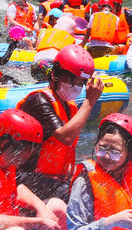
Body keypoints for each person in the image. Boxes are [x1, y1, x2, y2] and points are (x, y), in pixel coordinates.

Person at [16, 45, 104, 201]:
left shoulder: (69, 105)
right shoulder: (39, 100)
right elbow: (66, 137)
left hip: (55, 178)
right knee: (81, 197)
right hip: (27, 177)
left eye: (80, 83)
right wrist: (90, 101)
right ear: (55, 75)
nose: (75, 86)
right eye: (71, 80)